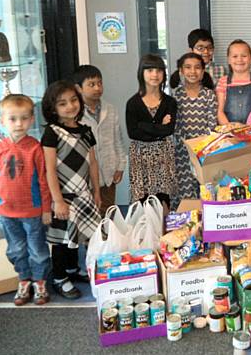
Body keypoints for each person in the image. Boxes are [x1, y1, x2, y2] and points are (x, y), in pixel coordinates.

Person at [0, 94, 52, 305]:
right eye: (13, 119)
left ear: (32, 119)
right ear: (2, 121)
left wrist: (45, 208)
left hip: (32, 211)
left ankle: (39, 281)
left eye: (24, 118)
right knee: (16, 249)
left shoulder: (35, 148)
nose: (18, 124)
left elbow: (43, 180)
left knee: (37, 249)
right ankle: (24, 279)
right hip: (7, 212)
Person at [41, 81, 102, 298]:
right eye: (62, 103)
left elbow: (92, 162)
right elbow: (49, 169)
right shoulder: (52, 132)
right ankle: (59, 277)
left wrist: (96, 191)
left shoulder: (86, 131)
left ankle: (72, 270)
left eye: (74, 100)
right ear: (52, 108)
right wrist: (57, 200)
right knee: (61, 240)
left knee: (79, 236)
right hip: (64, 196)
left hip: (84, 193)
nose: (70, 106)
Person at [126, 54, 177, 211]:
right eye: (149, 70)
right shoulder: (133, 103)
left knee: (164, 199)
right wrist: (158, 127)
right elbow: (133, 133)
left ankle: (165, 233)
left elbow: (169, 130)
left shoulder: (170, 102)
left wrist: (144, 125)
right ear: (141, 73)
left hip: (163, 153)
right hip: (140, 156)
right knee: (143, 201)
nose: (155, 75)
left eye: (159, 70)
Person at [74, 65, 127, 216]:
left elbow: (118, 139)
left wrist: (121, 165)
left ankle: (107, 239)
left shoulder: (110, 109)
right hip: (86, 178)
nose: (97, 88)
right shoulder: (75, 113)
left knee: (108, 215)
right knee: (89, 217)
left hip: (109, 173)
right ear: (78, 88)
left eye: (100, 83)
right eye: (91, 84)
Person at [173, 53, 218, 205]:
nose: (193, 71)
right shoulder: (176, 95)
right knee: (186, 193)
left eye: (197, 68)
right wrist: (187, 146)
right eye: (188, 67)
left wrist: (200, 146)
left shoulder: (209, 94)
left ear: (203, 71)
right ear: (181, 70)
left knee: (206, 191)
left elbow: (211, 123)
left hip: (205, 151)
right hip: (182, 152)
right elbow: (176, 125)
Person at [216, 39, 251, 124]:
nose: (239, 59)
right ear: (229, 60)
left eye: (244, 56)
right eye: (235, 56)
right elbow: (220, 112)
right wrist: (229, 129)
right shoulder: (223, 82)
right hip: (230, 133)